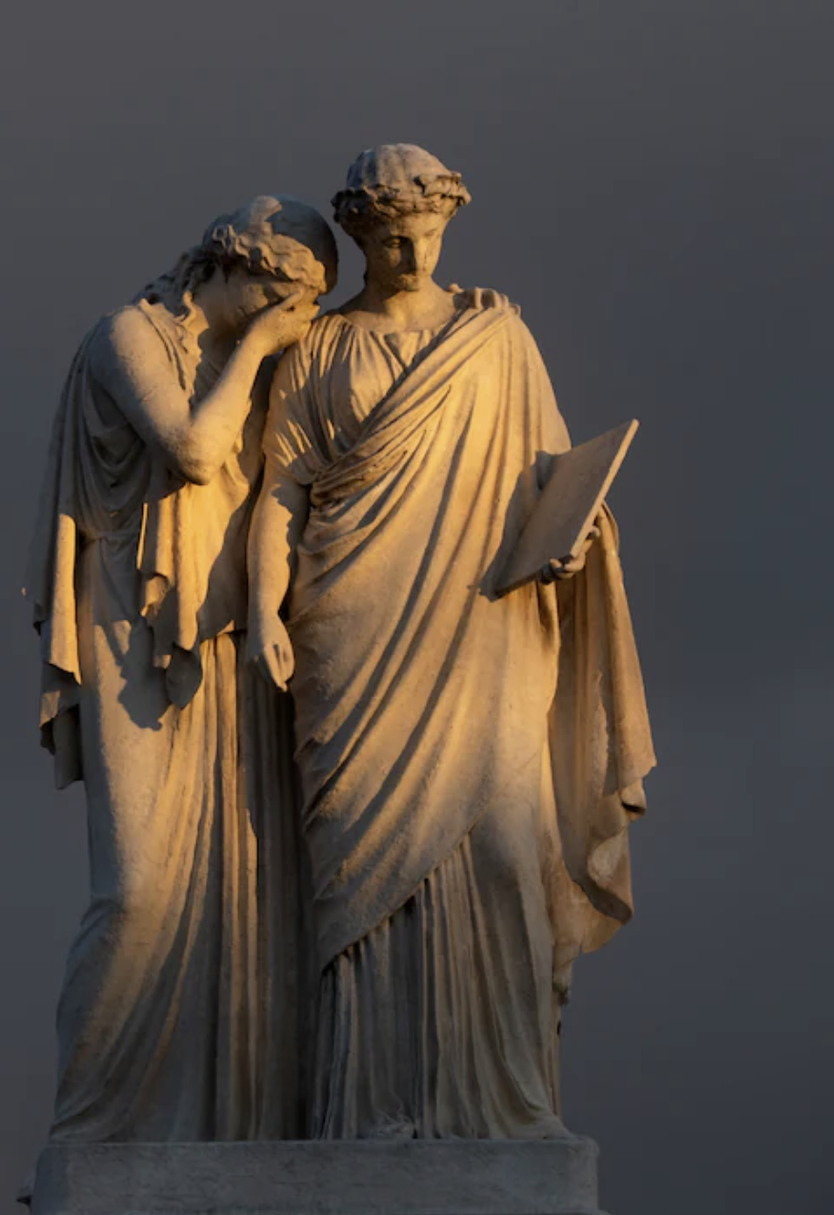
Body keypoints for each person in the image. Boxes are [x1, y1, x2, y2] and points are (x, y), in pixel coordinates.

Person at [248, 145, 655, 1141]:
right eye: (386, 238)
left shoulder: (498, 339)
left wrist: (578, 538)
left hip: (486, 629)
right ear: (355, 238)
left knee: (500, 855)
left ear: (446, 225)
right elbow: (279, 496)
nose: (406, 252)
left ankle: (505, 1111)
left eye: (421, 234)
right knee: (356, 881)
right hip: (351, 632)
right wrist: (261, 608)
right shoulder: (316, 352)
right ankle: (365, 1112)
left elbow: (551, 474)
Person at [25, 196, 337, 1141]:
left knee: (241, 902)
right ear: (229, 267)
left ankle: (220, 1129)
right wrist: (256, 350)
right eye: (280, 298)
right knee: (137, 891)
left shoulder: (264, 359)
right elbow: (194, 452)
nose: (291, 324)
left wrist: (470, 311)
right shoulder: (129, 335)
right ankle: (88, 1131)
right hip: (133, 625)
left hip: (225, 638)